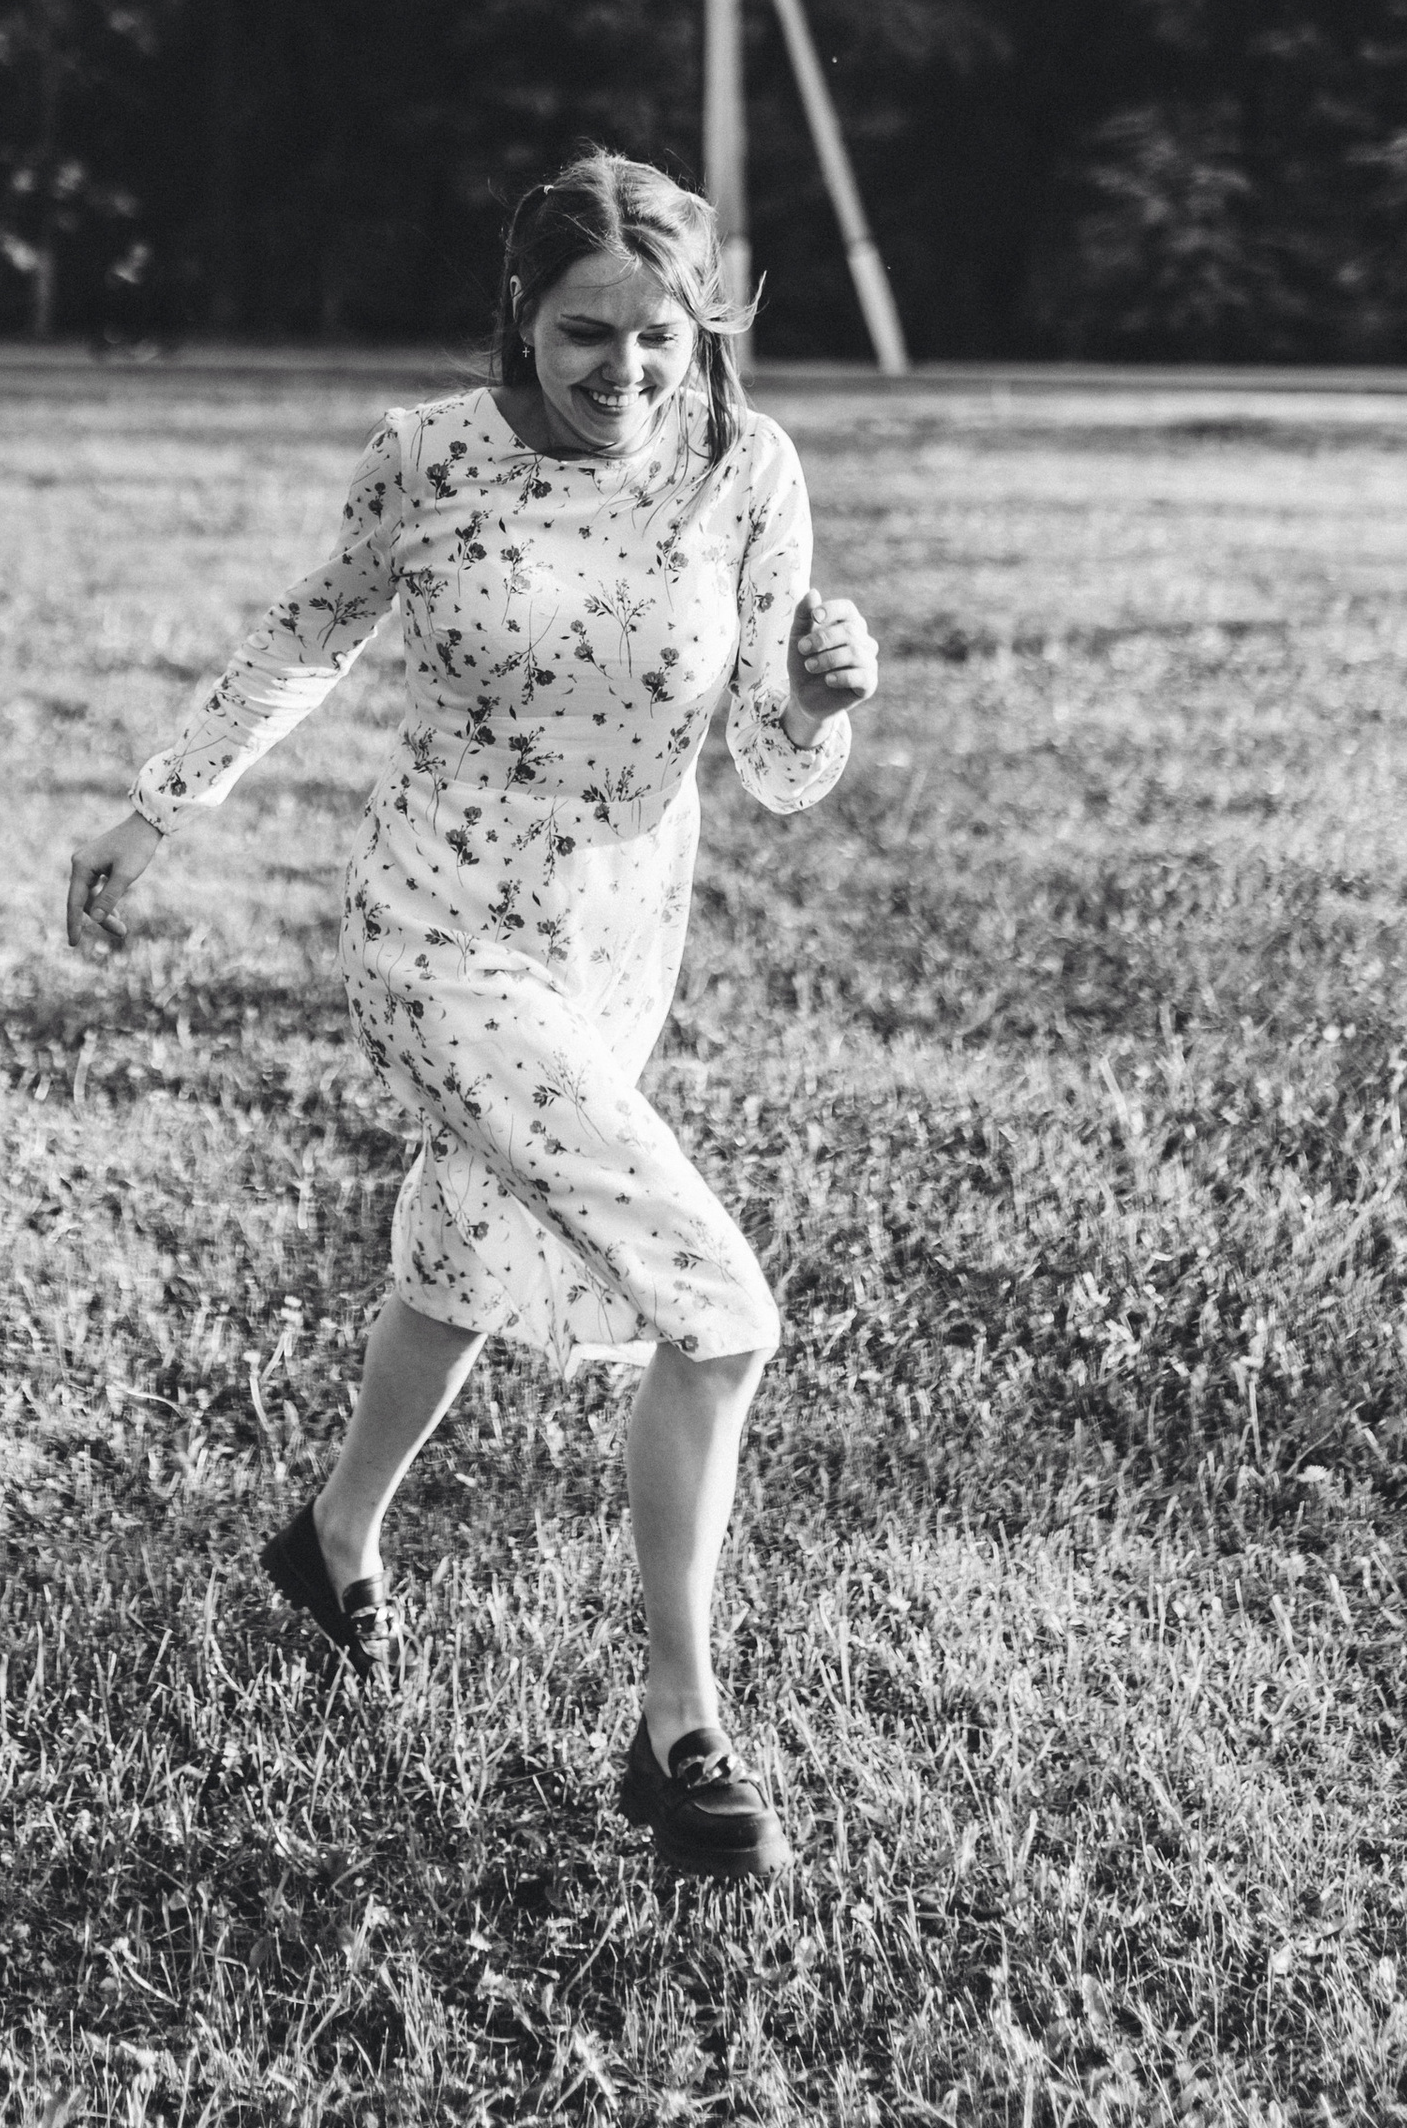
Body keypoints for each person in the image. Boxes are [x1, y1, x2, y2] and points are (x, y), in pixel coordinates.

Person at [66, 151, 878, 1882]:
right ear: (521, 310)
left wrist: (812, 702)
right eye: (591, 335)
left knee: (466, 1248)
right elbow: (310, 635)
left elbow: (774, 767)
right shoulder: (428, 456)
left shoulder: (746, 471)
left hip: (615, 942)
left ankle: (334, 1538)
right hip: (437, 927)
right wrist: (160, 802)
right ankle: (680, 1729)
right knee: (721, 1315)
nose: (629, 376)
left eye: (663, 340)